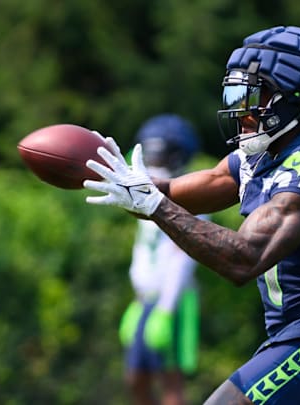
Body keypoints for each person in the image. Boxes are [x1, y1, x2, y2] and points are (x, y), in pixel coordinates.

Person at [83, 26, 300, 405]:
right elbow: (188, 191)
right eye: (235, 93)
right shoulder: (258, 158)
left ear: (294, 99)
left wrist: (152, 203)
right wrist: (121, 181)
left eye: (253, 94)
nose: (241, 109)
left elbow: (244, 258)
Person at [117, 114, 203, 405]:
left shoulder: (191, 194)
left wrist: (166, 309)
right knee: (135, 377)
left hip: (172, 302)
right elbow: (144, 249)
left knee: (170, 381)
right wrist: (137, 299)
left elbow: (182, 259)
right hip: (146, 299)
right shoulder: (145, 194)